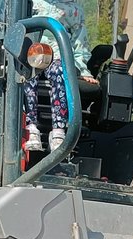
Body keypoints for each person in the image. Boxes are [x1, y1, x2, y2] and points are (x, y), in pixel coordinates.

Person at [25, 0, 98, 152]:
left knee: (61, 71)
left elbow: (80, 42)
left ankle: (58, 131)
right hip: (32, 53)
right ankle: (31, 128)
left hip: (58, 55)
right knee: (27, 74)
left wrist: (82, 70)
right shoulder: (30, 3)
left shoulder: (74, 9)